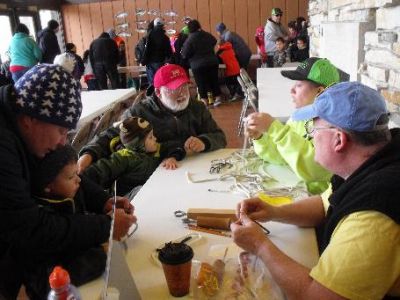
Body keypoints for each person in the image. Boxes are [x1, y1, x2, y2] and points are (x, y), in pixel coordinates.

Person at [231, 81, 400, 299]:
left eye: (313, 129)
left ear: (339, 139)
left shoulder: (375, 213)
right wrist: (273, 211)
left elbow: (318, 296)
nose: (310, 135)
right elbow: (325, 203)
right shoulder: (371, 159)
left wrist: (260, 245)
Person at [0, 64, 135, 299]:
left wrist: (102, 200)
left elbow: (59, 167)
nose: (64, 142)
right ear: (30, 119)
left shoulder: (26, 127)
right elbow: (29, 229)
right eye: (62, 131)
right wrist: (106, 227)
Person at [77, 64, 226, 174]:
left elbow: (219, 137)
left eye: (184, 86)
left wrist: (204, 142)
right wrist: (88, 154)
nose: (182, 93)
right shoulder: (138, 112)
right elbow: (110, 136)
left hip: (195, 169)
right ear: (158, 92)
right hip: (156, 174)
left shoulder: (197, 108)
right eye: (174, 89)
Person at [246, 57, 342, 195]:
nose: (291, 90)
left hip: (321, 202)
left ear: (320, 91)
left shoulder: (333, 125)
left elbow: (315, 168)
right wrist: (260, 138)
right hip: (298, 190)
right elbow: (282, 156)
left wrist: (274, 128)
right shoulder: (299, 117)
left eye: (299, 85)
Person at [82, 116, 185, 196]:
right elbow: (99, 171)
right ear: (138, 143)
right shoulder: (123, 158)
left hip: (150, 191)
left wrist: (172, 157)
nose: (155, 139)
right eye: (150, 137)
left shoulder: (155, 148)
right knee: (142, 190)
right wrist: (80, 178)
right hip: (126, 199)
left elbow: (173, 145)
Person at [181, 19, 222, 107]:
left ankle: (204, 101)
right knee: (214, 80)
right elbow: (214, 41)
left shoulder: (190, 39)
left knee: (201, 83)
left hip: (197, 65)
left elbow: (184, 53)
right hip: (212, 61)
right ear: (199, 26)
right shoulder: (206, 35)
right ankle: (218, 98)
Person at [144, 18, 173, 86]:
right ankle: (159, 94)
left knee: (152, 81)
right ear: (162, 25)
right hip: (160, 61)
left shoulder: (149, 35)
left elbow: (146, 48)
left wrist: (144, 60)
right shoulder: (165, 37)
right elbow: (168, 51)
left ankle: (153, 95)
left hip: (150, 61)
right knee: (160, 79)